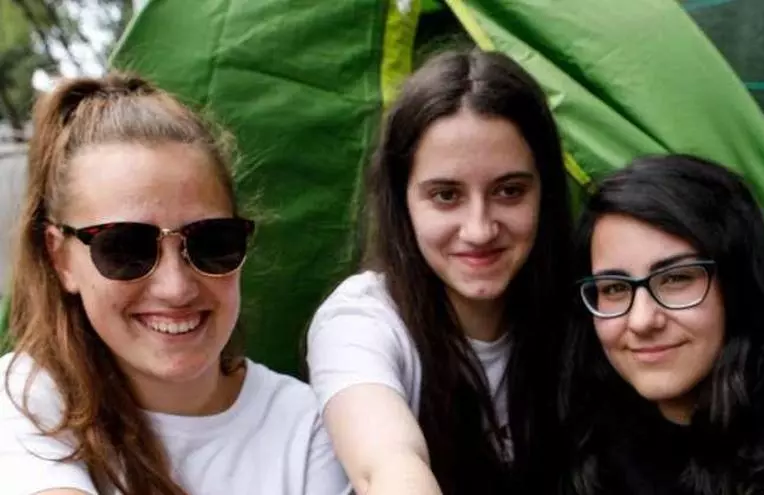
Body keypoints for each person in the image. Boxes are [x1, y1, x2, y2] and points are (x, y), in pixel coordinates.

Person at [0, 74, 349, 495]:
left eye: (211, 242)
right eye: (124, 248)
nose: (176, 287)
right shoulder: (26, 401)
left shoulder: (308, 426)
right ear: (60, 259)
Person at [306, 49, 573, 495]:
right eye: (446, 195)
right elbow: (386, 464)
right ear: (402, 201)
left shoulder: (588, 307)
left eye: (509, 191)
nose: (479, 229)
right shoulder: (360, 321)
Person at [559, 154, 764, 495]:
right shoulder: (585, 431)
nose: (641, 321)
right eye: (614, 288)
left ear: (738, 284)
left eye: (677, 278)